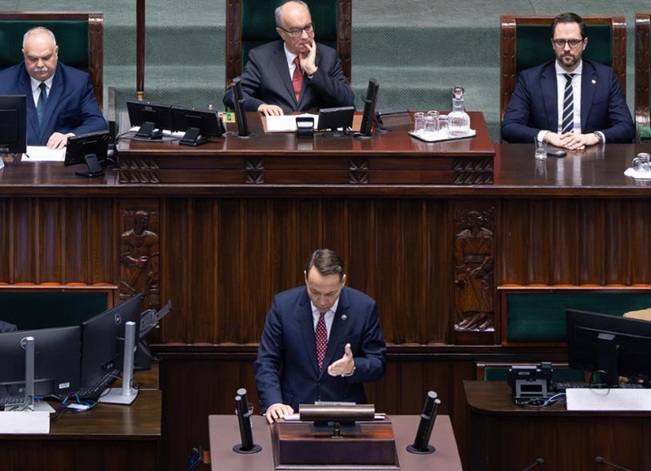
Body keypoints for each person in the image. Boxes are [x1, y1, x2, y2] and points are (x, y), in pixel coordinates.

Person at [255, 249, 386, 424]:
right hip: (292, 414)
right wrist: (274, 402)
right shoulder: (283, 306)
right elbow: (266, 360)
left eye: (330, 294)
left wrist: (353, 367)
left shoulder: (364, 308)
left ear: (343, 281)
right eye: (315, 292)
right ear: (305, 278)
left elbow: (378, 362)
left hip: (345, 415)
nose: (322, 301)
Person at [501, 12, 635, 150]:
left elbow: (626, 127)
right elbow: (509, 127)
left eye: (573, 42)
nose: (566, 48)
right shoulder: (530, 79)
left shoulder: (605, 77)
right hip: (548, 153)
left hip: (591, 154)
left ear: (584, 43)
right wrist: (547, 136)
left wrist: (593, 137)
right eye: (560, 42)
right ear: (553, 44)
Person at [222, 0, 355, 116]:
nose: (305, 36)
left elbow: (347, 100)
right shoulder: (262, 58)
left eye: (308, 27)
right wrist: (260, 106)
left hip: (315, 133)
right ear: (281, 33)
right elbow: (232, 95)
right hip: (275, 133)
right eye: (295, 31)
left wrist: (314, 72)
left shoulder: (328, 56)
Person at [0, 26, 107, 149]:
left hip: (60, 157)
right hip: (17, 158)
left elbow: (97, 123)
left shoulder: (77, 82)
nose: (40, 64)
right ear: (24, 55)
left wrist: (70, 137)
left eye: (46, 58)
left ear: (56, 52)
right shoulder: (3, 82)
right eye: (33, 59)